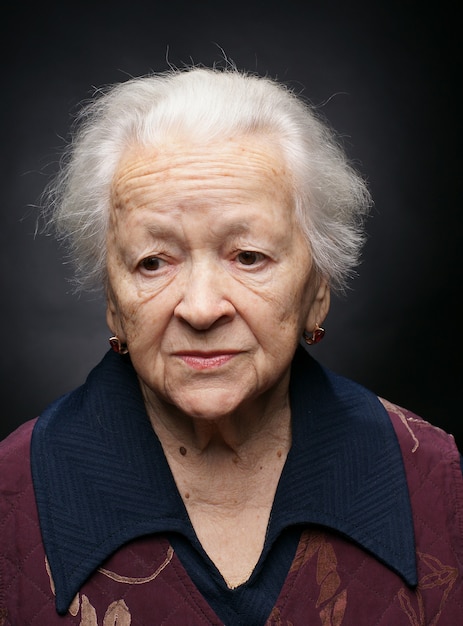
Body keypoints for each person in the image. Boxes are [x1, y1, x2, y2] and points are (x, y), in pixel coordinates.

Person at [1, 65, 461, 626]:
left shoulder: (440, 483)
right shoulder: (10, 497)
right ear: (114, 304)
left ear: (318, 291)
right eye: (153, 262)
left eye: (248, 256)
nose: (200, 308)